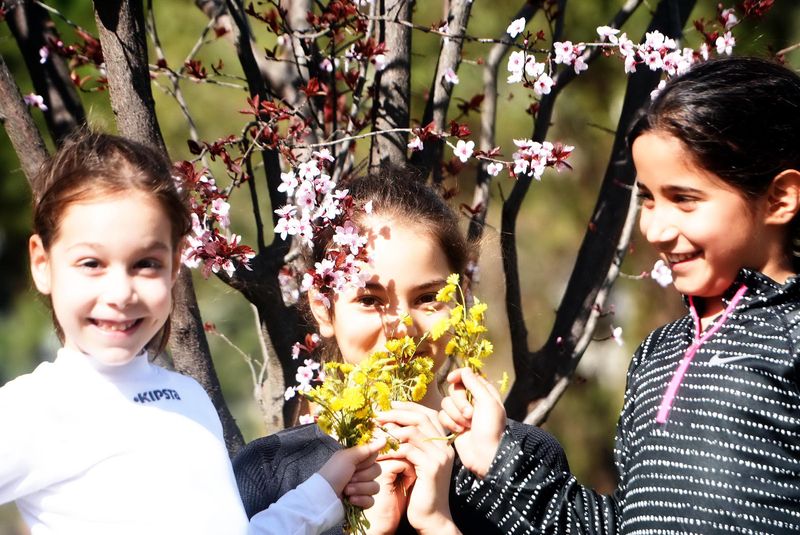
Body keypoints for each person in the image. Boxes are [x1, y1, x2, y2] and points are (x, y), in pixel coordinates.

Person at [438, 55, 800, 534]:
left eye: (684, 199)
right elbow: (620, 525)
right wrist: (495, 459)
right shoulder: (658, 352)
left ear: (779, 199)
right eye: (648, 198)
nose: (655, 228)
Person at [0, 130, 383, 535]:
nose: (120, 293)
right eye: (91, 264)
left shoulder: (188, 397)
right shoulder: (31, 409)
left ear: (174, 266)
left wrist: (324, 492)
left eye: (145, 264)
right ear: (42, 264)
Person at [234, 169, 558, 534]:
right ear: (324, 309)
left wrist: (438, 525)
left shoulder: (519, 462)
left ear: (462, 298)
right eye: (370, 300)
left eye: (427, 297)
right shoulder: (270, 472)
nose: (402, 327)